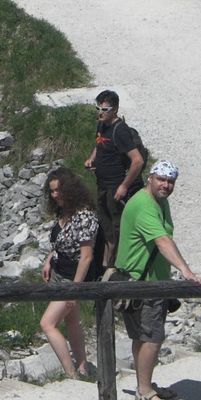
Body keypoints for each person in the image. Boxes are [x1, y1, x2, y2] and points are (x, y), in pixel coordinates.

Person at [115, 160, 201, 400]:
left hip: (148, 283)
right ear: (150, 178)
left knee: (143, 336)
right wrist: (185, 271)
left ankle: (145, 384)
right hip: (142, 285)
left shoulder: (159, 202)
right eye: (162, 179)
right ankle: (144, 392)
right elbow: (162, 240)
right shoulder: (144, 205)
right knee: (152, 337)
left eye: (170, 181)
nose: (166, 185)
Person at [39, 168, 99, 380]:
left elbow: (86, 256)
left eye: (58, 190)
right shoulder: (63, 212)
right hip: (58, 270)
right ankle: (82, 367)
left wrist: (74, 288)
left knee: (47, 323)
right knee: (72, 321)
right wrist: (49, 259)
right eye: (52, 191)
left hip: (71, 277)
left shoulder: (84, 216)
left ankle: (70, 371)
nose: (55, 195)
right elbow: (58, 243)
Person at [84, 90, 145, 267]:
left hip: (115, 188)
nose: (100, 112)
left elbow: (137, 161)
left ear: (115, 110)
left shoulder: (121, 131)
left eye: (105, 109)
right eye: (98, 108)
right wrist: (92, 159)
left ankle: (117, 267)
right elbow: (99, 144)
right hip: (102, 186)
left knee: (118, 229)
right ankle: (105, 266)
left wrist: (124, 186)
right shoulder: (102, 125)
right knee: (106, 227)